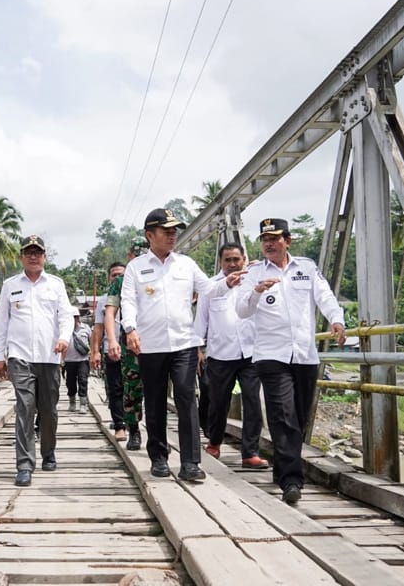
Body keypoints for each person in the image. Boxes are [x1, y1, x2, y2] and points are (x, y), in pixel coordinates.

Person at [235, 218, 346, 505]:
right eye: (264, 239)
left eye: (274, 238)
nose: (269, 243)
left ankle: (283, 469)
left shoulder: (306, 268)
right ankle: (292, 480)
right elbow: (242, 310)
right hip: (271, 355)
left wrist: (336, 320)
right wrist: (257, 290)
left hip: (305, 355)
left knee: (298, 417)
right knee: (283, 416)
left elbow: (325, 296)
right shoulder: (254, 272)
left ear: (288, 240)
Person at [119, 209, 232, 482]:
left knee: (185, 399)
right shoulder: (136, 268)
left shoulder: (186, 264)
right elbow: (128, 302)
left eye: (174, 231)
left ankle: (191, 462)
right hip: (150, 346)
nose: (172, 236)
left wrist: (229, 281)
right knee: (155, 401)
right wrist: (130, 329)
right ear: (150, 235)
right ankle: (158, 456)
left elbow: (209, 289)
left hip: (183, 344)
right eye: (166, 231)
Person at [0, 234, 74, 487]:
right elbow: (2, 323)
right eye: (28, 252)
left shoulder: (56, 285)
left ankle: (48, 451)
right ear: (21, 257)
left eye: (37, 252)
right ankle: (25, 464)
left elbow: (66, 316)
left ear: (44, 257)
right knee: (25, 408)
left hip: (49, 356)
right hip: (20, 356)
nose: (33, 256)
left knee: (48, 410)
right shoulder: (10, 285)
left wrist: (64, 338)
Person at [194, 243, 269, 469]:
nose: (233, 264)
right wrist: (198, 349)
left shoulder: (254, 282)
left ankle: (250, 453)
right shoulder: (211, 287)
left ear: (244, 259)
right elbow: (201, 319)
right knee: (218, 402)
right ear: (220, 262)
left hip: (251, 352)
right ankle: (214, 443)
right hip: (220, 354)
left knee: (253, 401)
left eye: (237, 259)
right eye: (228, 260)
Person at [103, 240, 148, 450]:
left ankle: (158, 435)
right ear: (130, 256)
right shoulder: (119, 283)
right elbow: (110, 312)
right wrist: (111, 340)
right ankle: (134, 430)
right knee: (131, 388)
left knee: (156, 389)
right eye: (137, 254)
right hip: (130, 343)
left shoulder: (160, 274)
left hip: (156, 341)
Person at [90, 262, 127, 439]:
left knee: (134, 388)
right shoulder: (104, 301)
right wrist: (95, 351)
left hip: (134, 349)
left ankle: (132, 422)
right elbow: (98, 328)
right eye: (114, 275)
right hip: (110, 349)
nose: (118, 278)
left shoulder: (134, 296)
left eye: (122, 274)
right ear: (109, 278)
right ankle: (120, 425)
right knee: (115, 387)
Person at [64, 308, 92, 412]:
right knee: (70, 382)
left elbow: (91, 341)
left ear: (77, 318)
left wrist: (93, 354)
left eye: (74, 317)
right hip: (69, 360)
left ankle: (83, 404)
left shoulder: (86, 328)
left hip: (83, 360)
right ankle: (72, 402)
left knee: (83, 380)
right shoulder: (65, 330)